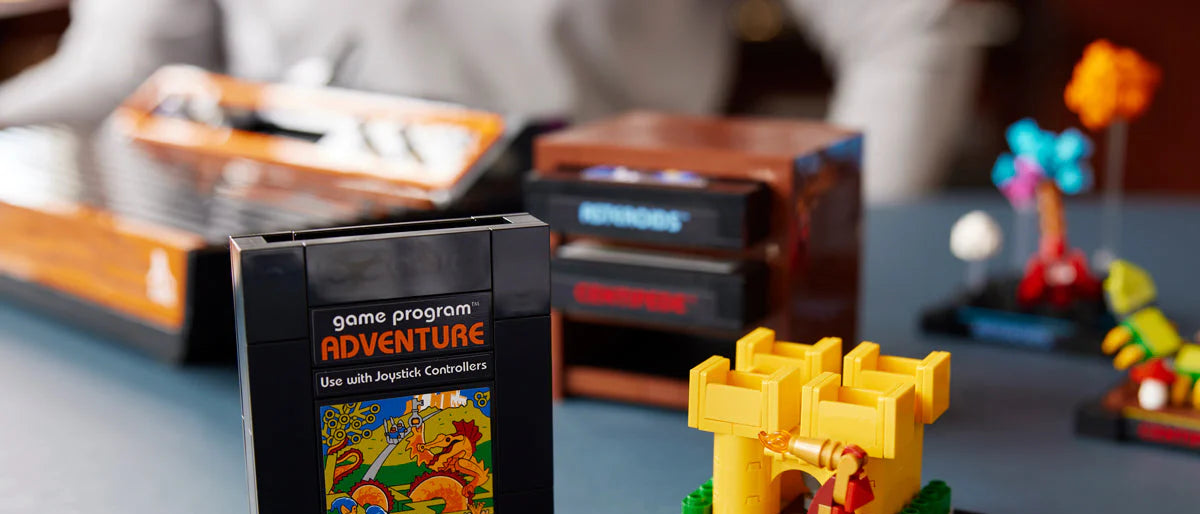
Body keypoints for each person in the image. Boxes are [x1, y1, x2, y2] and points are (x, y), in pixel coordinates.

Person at [0, 0, 983, 201]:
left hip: (609, 277)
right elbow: (129, 66)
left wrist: (844, 243)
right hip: (274, 281)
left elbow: (909, 19)